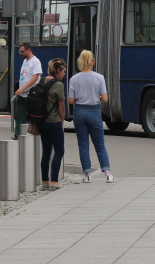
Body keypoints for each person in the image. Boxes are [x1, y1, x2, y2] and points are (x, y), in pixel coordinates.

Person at [68, 50, 114, 183]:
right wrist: (96, 97)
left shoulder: (74, 79)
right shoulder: (99, 77)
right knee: (99, 144)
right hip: (94, 111)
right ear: (93, 62)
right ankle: (107, 173)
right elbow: (105, 98)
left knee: (83, 145)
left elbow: (71, 101)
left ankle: (87, 175)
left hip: (79, 112)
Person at [37, 58, 67, 189]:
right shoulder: (59, 85)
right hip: (54, 121)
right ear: (58, 70)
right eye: (64, 71)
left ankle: (45, 181)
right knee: (59, 150)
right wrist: (62, 120)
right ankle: (55, 180)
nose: (64, 74)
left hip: (42, 121)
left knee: (46, 151)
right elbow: (61, 106)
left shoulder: (42, 81)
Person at [13, 43, 43, 137]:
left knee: (29, 116)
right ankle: (18, 135)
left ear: (28, 50)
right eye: (20, 52)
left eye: (22, 51)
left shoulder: (35, 61)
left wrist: (23, 88)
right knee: (19, 115)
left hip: (30, 94)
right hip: (22, 94)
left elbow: (35, 78)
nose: (20, 54)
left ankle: (26, 136)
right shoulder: (25, 61)